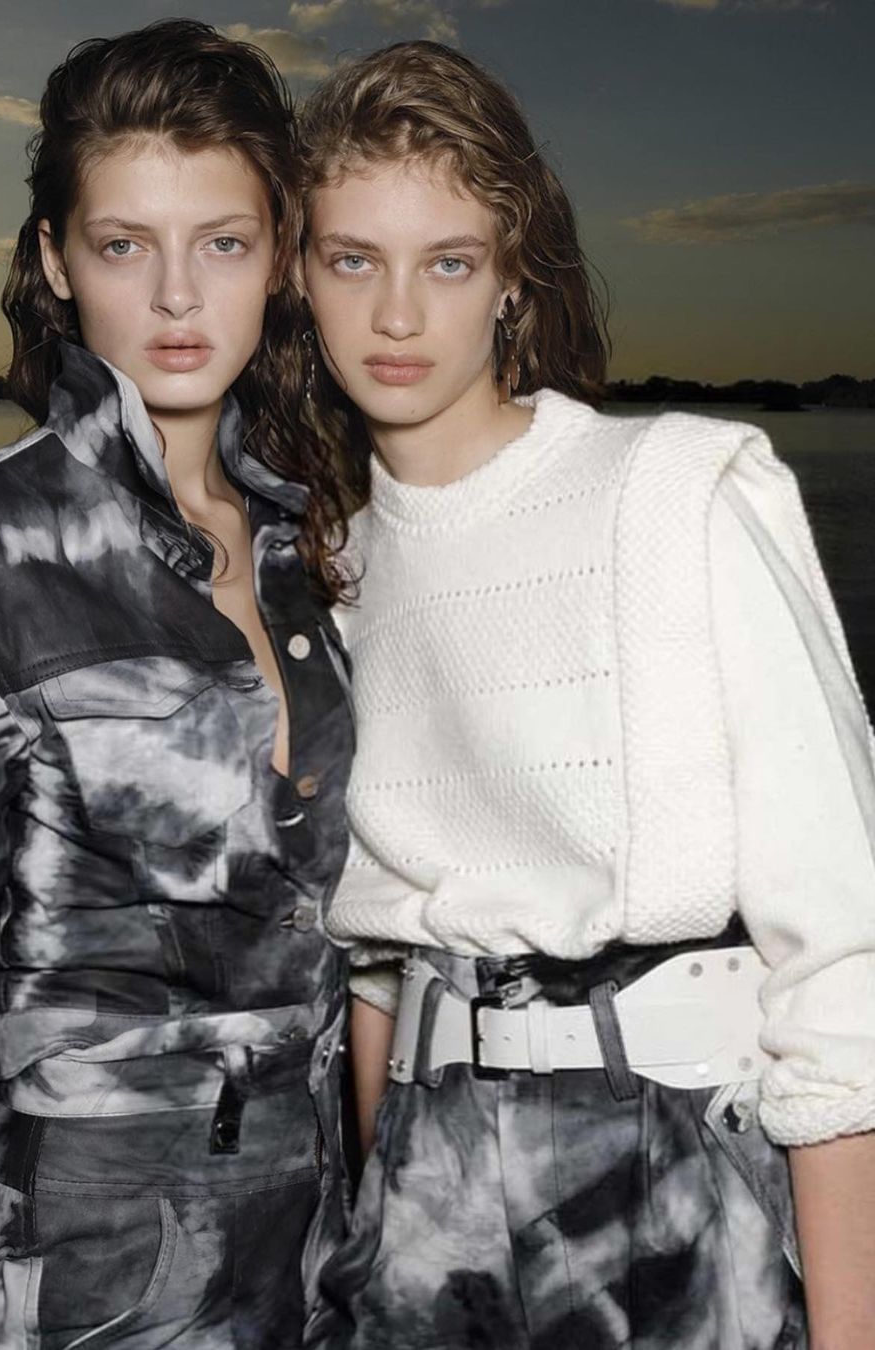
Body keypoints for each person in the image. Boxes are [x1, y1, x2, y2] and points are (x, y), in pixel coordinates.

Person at [296, 40, 875, 1350]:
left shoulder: (676, 496)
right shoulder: (339, 567)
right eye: (354, 260)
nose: (398, 316)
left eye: (449, 262)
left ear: (514, 276)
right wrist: (383, 1212)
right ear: (302, 276)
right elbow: (379, 952)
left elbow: (843, 960)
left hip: (659, 1158)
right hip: (425, 1185)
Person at [0, 20, 356, 1349]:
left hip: (326, 1254)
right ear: (56, 261)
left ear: (281, 258)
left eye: (223, 243)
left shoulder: (318, 545)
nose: (179, 296)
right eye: (126, 245)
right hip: (92, 1269)